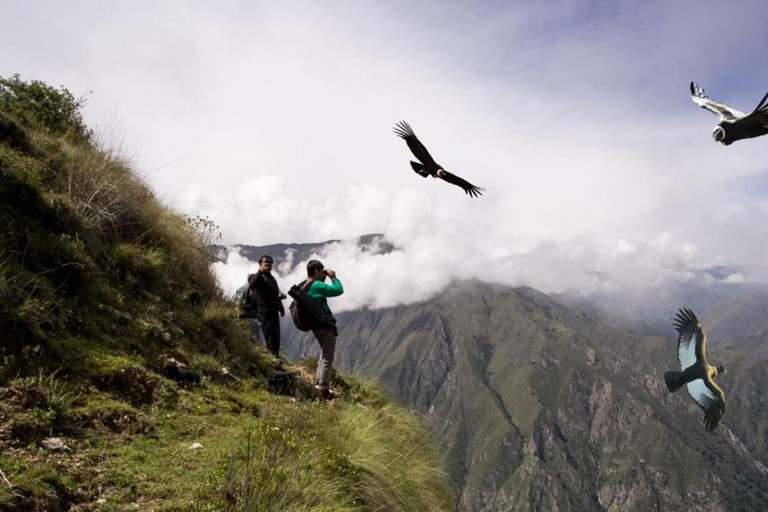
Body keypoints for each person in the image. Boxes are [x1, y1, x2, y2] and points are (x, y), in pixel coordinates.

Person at [305, 259, 343, 399]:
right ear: (316, 272)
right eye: (321, 272)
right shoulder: (316, 285)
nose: (323, 274)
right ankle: (323, 388)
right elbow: (338, 290)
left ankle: (318, 381)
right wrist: (333, 277)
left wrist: (322, 277)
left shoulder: (306, 285)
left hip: (315, 326)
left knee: (324, 354)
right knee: (327, 357)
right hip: (323, 326)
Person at [248, 255, 286, 357]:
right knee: (269, 337)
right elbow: (252, 284)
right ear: (260, 264)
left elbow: (275, 294)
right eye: (265, 262)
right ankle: (273, 358)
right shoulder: (258, 277)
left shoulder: (271, 278)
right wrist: (260, 271)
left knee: (276, 337)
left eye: (270, 263)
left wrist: (281, 308)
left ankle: (276, 357)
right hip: (264, 312)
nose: (268, 264)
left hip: (273, 311)